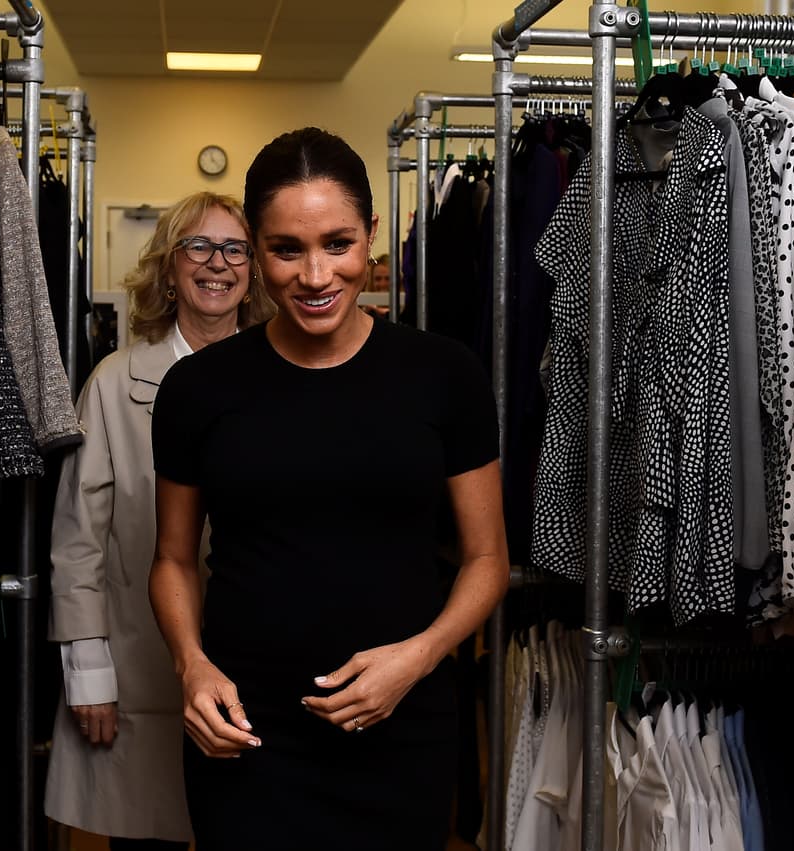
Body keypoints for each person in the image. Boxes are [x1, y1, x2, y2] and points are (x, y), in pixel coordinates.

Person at [149, 128, 510, 851]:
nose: (316, 276)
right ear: (255, 247)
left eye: (338, 244)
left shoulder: (445, 375)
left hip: (400, 726)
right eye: (287, 249)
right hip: (245, 734)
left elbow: (487, 561)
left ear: (372, 237)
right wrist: (191, 665)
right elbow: (174, 561)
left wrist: (420, 655)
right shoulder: (197, 388)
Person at [44, 192, 273, 851]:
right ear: (168, 268)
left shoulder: (279, 379)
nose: (217, 264)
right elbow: (78, 540)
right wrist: (88, 670)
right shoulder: (115, 383)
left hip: (256, 665)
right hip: (143, 673)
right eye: (197, 247)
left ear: (253, 270)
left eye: (234, 249)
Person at [363, 252, 391, 317]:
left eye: (388, 278)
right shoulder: (365, 310)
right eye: (378, 279)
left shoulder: (406, 310)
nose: (382, 284)